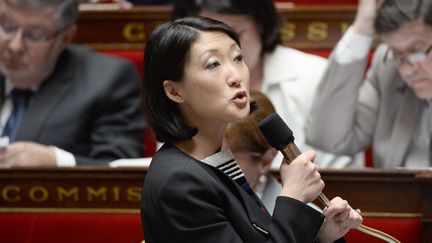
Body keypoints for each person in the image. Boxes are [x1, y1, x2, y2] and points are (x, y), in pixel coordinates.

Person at [140, 16, 362, 243]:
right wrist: (293, 196)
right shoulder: (179, 183)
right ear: (174, 91)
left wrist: (321, 238)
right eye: (213, 64)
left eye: (238, 58)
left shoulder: (214, 161)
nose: (236, 76)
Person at [171, 0, 364, 169]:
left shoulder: (315, 76)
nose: (222, 50)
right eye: (208, 40)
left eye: (235, 34)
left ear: (261, 26)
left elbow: (340, 172)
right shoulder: (184, 85)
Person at [0, 0, 145, 167]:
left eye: (35, 35)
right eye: (7, 26)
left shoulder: (107, 80)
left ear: (65, 37)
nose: (15, 46)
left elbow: (118, 171)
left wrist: (56, 161)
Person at [305, 0, 432, 168]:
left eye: (417, 51)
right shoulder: (388, 67)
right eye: (397, 54)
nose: (408, 71)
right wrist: (361, 28)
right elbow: (329, 138)